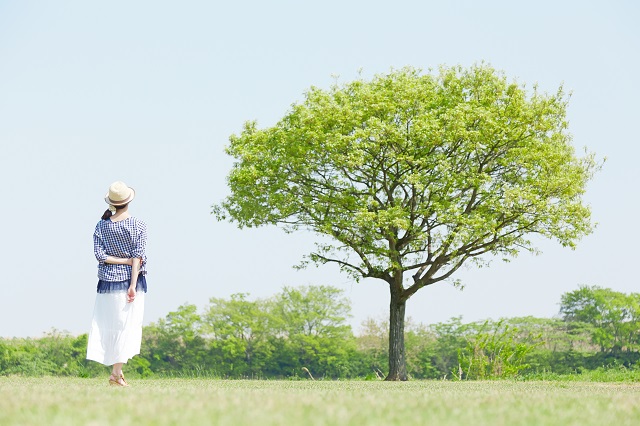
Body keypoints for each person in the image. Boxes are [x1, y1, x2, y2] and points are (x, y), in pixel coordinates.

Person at [87, 181, 148, 387]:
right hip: (130, 281)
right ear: (128, 201)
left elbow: (100, 255)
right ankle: (116, 373)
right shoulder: (138, 225)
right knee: (126, 325)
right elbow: (137, 258)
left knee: (113, 325)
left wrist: (123, 260)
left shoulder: (101, 225)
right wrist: (132, 283)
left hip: (107, 282)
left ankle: (117, 373)